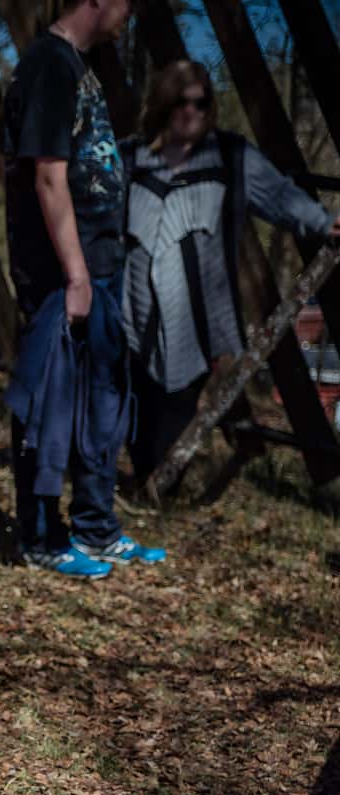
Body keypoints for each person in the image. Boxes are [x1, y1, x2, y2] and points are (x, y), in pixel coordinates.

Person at [1, 0, 164, 579]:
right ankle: (41, 535)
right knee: (52, 402)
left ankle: (97, 528)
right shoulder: (48, 63)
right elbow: (47, 174)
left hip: (98, 265)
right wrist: (73, 274)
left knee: (102, 403)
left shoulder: (78, 65)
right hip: (62, 274)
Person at [122, 61, 340, 485]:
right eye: (180, 102)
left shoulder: (231, 155)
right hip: (133, 308)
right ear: (163, 104)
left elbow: (279, 196)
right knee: (137, 400)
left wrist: (320, 220)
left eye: (201, 103)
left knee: (176, 403)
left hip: (198, 317)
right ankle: (143, 477)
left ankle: (158, 481)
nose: (190, 112)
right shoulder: (132, 156)